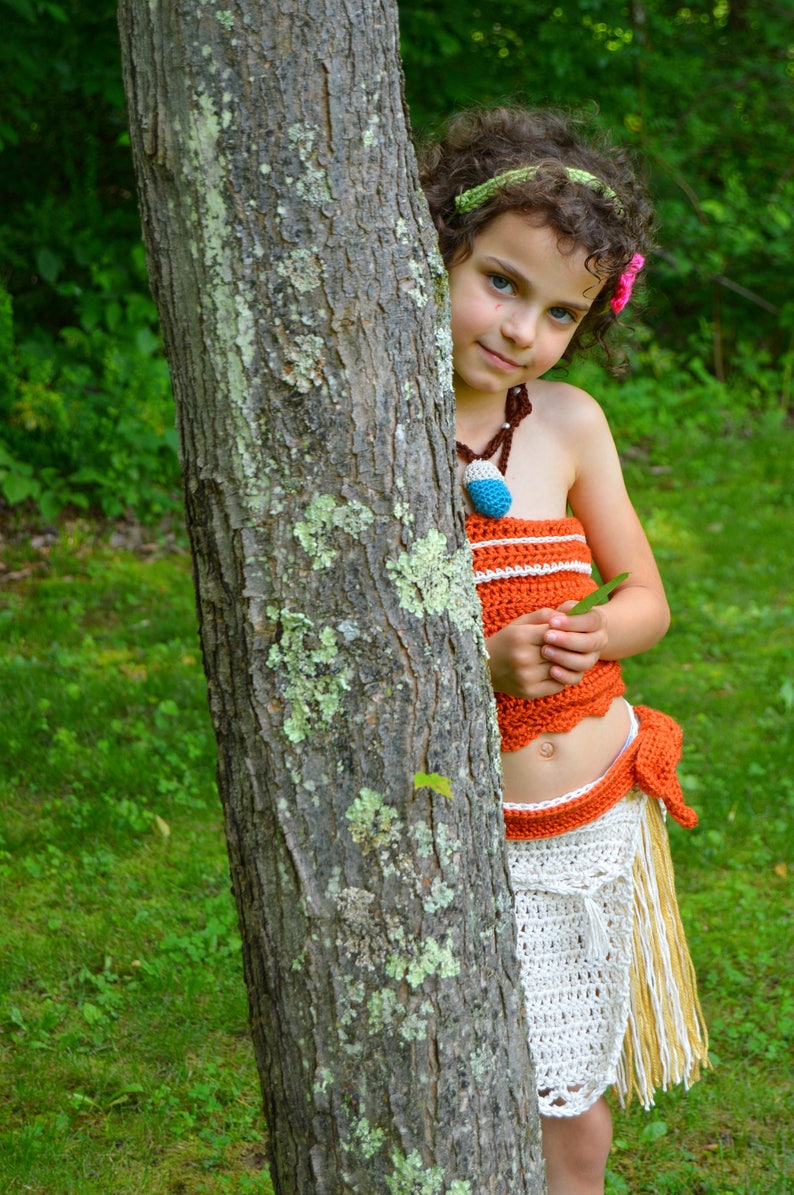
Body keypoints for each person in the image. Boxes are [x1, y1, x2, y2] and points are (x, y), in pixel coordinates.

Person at [419, 107, 709, 1195]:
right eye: (498, 282)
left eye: (558, 312)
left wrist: (601, 628)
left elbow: (645, 597)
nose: (520, 330)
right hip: (480, 827)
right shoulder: (374, 429)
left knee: (572, 1120)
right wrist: (479, 666)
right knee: (479, 1087)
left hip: (593, 813)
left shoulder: (569, 424)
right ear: (438, 251)